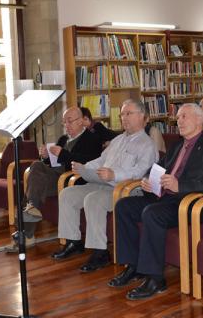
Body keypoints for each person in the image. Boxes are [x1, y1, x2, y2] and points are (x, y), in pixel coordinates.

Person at [108, 103, 203, 300]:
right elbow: (158, 169)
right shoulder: (176, 146)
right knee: (124, 206)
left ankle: (155, 279)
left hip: (190, 203)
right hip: (165, 199)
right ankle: (133, 266)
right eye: (178, 118)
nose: (178, 121)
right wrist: (148, 180)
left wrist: (181, 185)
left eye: (183, 117)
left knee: (152, 213)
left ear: (198, 119)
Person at [51, 99, 158, 273]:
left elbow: (140, 172)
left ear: (142, 116)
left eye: (128, 113)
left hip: (125, 190)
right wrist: (83, 167)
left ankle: (100, 253)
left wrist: (115, 174)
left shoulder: (147, 144)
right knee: (67, 194)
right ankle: (73, 242)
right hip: (103, 183)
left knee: (94, 200)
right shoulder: (118, 140)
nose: (124, 118)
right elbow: (101, 160)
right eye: (122, 114)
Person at [20, 107, 103, 229]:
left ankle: (26, 229)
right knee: (37, 165)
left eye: (70, 121)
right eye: (64, 122)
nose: (66, 125)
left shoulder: (93, 139)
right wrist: (47, 156)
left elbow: (89, 162)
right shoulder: (63, 139)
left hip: (72, 179)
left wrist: (62, 153)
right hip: (56, 177)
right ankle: (31, 208)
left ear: (80, 121)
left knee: (34, 185)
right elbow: (54, 162)